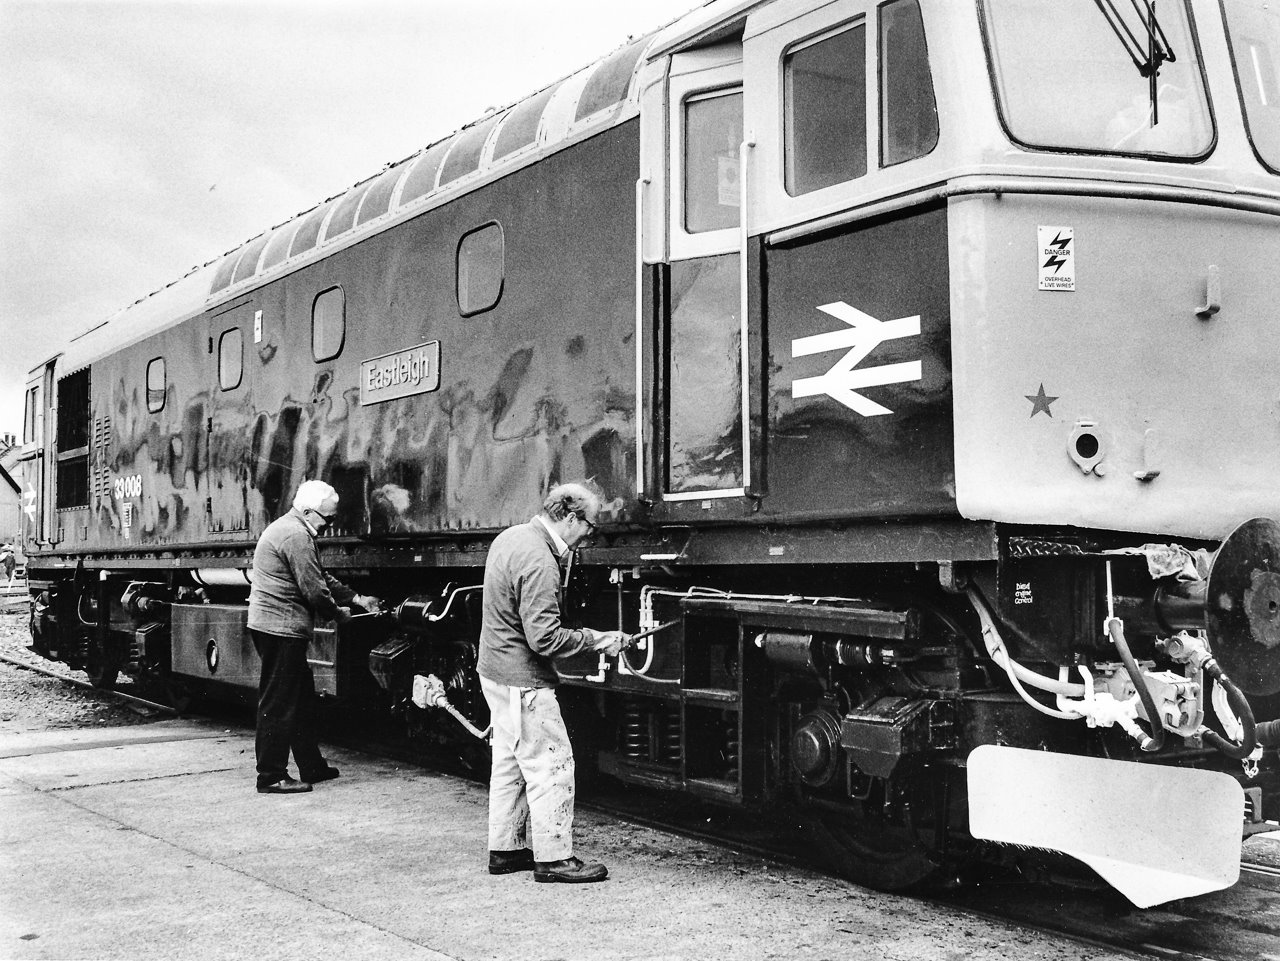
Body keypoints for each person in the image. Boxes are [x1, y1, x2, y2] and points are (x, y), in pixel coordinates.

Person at [477, 481, 629, 883]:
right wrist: (598, 640)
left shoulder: (510, 537)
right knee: (552, 764)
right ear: (568, 515)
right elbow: (544, 638)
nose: (588, 537)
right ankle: (554, 859)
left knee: (510, 763)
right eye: (590, 527)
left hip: (495, 671)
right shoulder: (541, 559)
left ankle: (506, 851)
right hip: (522, 678)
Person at [247, 480, 381, 795]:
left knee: (300, 700)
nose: (330, 524)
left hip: (278, 627)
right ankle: (270, 776)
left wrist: (357, 598)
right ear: (308, 511)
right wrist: (339, 614)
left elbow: (320, 574)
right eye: (327, 518)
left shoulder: (295, 529)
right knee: (279, 703)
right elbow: (314, 589)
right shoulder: (296, 535)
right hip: (280, 629)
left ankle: (311, 766)